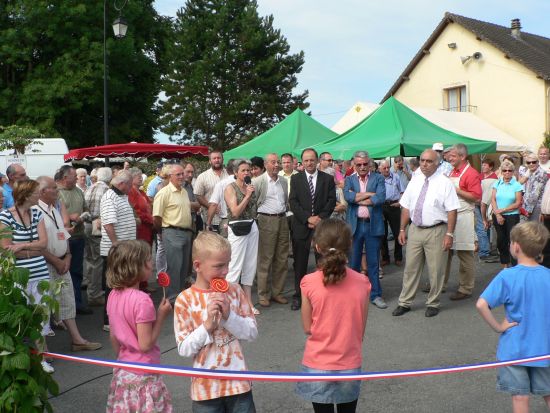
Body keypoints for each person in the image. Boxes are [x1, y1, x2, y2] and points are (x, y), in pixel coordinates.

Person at [174, 231, 258, 412]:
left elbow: (252, 333)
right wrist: (207, 327)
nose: (226, 271)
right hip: (205, 390)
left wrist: (229, 317)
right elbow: (184, 349)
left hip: (239, 385)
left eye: (228, 263)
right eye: (219, 266)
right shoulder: (185, 300)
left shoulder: (235, 291)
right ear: (198, 265)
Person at [296, 219, 370, 413]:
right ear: (350, 244)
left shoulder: (308, 282)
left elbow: (307, 327)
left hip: (318, 363)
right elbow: (360, 330)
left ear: (317, 247)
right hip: (349, 362)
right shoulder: (363, 282)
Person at [476, 222, 550, 413]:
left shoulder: (507, 276)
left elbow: (481, 304)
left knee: (519, 397)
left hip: (514, 349)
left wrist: (499, 327)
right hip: (544, 347)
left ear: (516, 246)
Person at [106, 240, 173, 413]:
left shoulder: (112, 295)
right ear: (136, 267)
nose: (151, 264)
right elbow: (145, 345)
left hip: (123, 371)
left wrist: (123, 358)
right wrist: (161, 316)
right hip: (144, 374)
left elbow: (113, 336)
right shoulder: (142, 300)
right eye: (148, 260)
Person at [36, 176, 101, 352]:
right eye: (53, 188)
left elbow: (63, 234)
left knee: (67, 300)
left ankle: (77, 340)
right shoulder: (35, 212)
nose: (57, 191)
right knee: (43, 305)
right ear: (42, 192)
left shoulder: (54, 208)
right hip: (47, 263)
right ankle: (42, 350)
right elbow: (38, 243)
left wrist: (68, 256)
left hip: (62, 261)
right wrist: (57, 260)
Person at [392, 149, 459, 318]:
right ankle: (404, 302)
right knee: (411, 268)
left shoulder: (445, 183)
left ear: (437, 163)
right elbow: (406, 206)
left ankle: (433, 302)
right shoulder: (415, 180)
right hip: (415, 229)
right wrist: (402, 229)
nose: (424, 164)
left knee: (436, 270)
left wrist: (449, 234)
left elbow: (452, 210)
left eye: (429, 161)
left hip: (436, 230)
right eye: (422, 160)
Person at [0, 180, 53, 372]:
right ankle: (17, 359)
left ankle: (41, 358)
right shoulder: (5, 216)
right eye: (37, 193)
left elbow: (44, 243)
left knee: (42, 315)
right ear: (26, 195)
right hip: (18, 275)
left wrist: (22, 246)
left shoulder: (37, 213)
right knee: (19, 317)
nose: (39, 195)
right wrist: (33, 249)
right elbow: (6, 249)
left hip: (40, 272)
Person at [289, 148, 336, 310]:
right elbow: (293, 202)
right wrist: (307, 218)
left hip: (321, 227)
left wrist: (319, 219)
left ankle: (323, 295)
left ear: (317, 161)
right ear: (302, 162)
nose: (309, 163)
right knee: (300, 264)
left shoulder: (327, 179)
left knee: (323, 262)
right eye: (306, 160)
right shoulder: (296, 179)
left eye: (312, 160)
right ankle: (299, 296)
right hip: (301, 226)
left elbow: (331, 201)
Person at [344, 151, 387, 309]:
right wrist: (369, 195)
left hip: (372, 225)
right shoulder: (349, 179)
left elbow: (380, 198)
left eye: (365, 164)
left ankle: (375, 295)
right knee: (354, 263)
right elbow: (348, 198)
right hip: (355, 225)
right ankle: (353, 295)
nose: (362, 167)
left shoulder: (378, 178)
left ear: (369, 164)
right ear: (354, 165)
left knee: (373, 263)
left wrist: (357, 197)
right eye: (359, 164)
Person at [443, 143, 482, 301]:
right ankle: (440, 283)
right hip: (450, 215)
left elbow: (476, 197)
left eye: (453, 156)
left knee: (465, 254)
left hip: (464, 217)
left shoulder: (471, 173)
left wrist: (455, 190)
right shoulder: (452, 171)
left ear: (462, 156)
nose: (449, 158)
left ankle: (465, 288)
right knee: (445, 251)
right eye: (449, 156)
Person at [100, 170, 137, 331]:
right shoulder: (110, 197)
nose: (131, 188)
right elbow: (108, 224)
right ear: (122, 184)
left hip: (125, 249)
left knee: (123, 284)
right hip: (116, 251)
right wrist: (116, 244)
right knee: (113, 286)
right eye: (130, 185)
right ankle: (109, 321)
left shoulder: (121, 196)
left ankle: (121, 317)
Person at [253, 153, 289, 308]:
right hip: (266, 220)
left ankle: (277, 293)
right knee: (265, 259)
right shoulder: (258, 181)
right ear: (265, 164)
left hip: (283, 219)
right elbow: (253, 203)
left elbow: (286, 201)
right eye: (273, 162)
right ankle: (263, 294)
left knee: (282, 258)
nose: (276, 165)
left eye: (277, 162)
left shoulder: (283, 181)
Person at [153, 163, 193, 299]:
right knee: (175, 268)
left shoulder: (184, 191)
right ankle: (172, 299)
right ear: (170, 176)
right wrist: (161, 232)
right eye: (178, 174)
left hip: (186, 232)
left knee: (183, 269)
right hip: (171, 232)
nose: (182, 177)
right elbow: (156, 217)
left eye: (182, 174)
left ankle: (179, 298)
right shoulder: (163, 193)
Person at [224, 159, 259, 314]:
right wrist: (247, 196)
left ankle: (248, 302)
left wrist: (250, 192)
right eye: (243, 170)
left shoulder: (250, 186)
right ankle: (230, 303)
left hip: (252, 225)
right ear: (235, 172)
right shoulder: (230, 188)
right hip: (237, 228)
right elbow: (235, 212)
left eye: (248, 170)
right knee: (235, 266)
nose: (246, 173)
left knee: (250, 265)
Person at [56, 165, 91, 315]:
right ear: (65, 178)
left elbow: (86, 208)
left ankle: (77, 304)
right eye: (74, 176)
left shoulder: (78, 191)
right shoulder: (56, 192)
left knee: (77, 272)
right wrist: (69, 217)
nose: (77, 179)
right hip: (63, 238)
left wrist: (84, 215)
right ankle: (63, 308)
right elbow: (51, 214)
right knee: (62, 272)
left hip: (78, 236)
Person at [83, 167, 112, 307]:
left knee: (90, 259)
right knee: (97, 261)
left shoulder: (90, 187)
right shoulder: (107, 190)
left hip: (86, 225)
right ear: (110, 178)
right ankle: (94, 294)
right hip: (97, 226)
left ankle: (91, 291)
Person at [491, 160, 523, 268]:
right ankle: (505, 265)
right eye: (505, 170)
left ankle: (515, 265)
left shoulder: (517, 185)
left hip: (512, 216)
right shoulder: (497, 183)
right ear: (501, 171)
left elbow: (518, 203)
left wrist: (502, 210)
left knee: (513, 240)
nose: (507, 172)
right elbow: (493, 199)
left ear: (513, 172)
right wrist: (498, 214)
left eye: (510, 170)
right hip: (498, 215)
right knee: (501, 240)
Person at [194, 151, 229, 233]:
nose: (217, 160)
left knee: (226, 241)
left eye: (219, 158)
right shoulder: (202, 176)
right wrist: (211, 206)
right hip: (211, 220)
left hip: (228, 219)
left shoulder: (230, 174)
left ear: (223, 160)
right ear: (210, 161)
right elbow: (198, 195)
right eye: (214, 158)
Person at [378, 160, 404, 267]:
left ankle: (398, 257)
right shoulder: (377, 179)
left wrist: (400, 203)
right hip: (381, 207)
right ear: (379, 169)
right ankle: (385, 258)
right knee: (382, 234)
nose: (387, 170)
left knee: (397, 232)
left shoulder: (396, 177)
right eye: (384, 168)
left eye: (388, 167)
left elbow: (402, 191)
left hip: (394, 206)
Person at [207, 159, 236, 238]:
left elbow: (213, 205)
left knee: (226, 245)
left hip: (227, 221)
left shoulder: (221, 184)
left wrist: (208, 223)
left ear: (227, 170)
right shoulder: (246, 183)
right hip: (245, 221)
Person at [477, 160, 498, 261]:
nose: (483, 167)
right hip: (480, 203)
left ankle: (486, 249)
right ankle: (484, 252)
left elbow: (488, 199)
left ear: (491, 167)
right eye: (482, 165)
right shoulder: (479, 176)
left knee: (487, 226)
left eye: (485, 165)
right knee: (483, 227)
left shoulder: (493, 178)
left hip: (487, 204)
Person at [521, 153, 548, 222]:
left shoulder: (541, 174)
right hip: (529, 205)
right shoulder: (531, 172)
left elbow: (535, 194)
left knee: (534, 227)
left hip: (535, 207)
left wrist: (528, 209)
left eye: (534, 162)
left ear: (538, 162)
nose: (531, 164)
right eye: (528, 162)